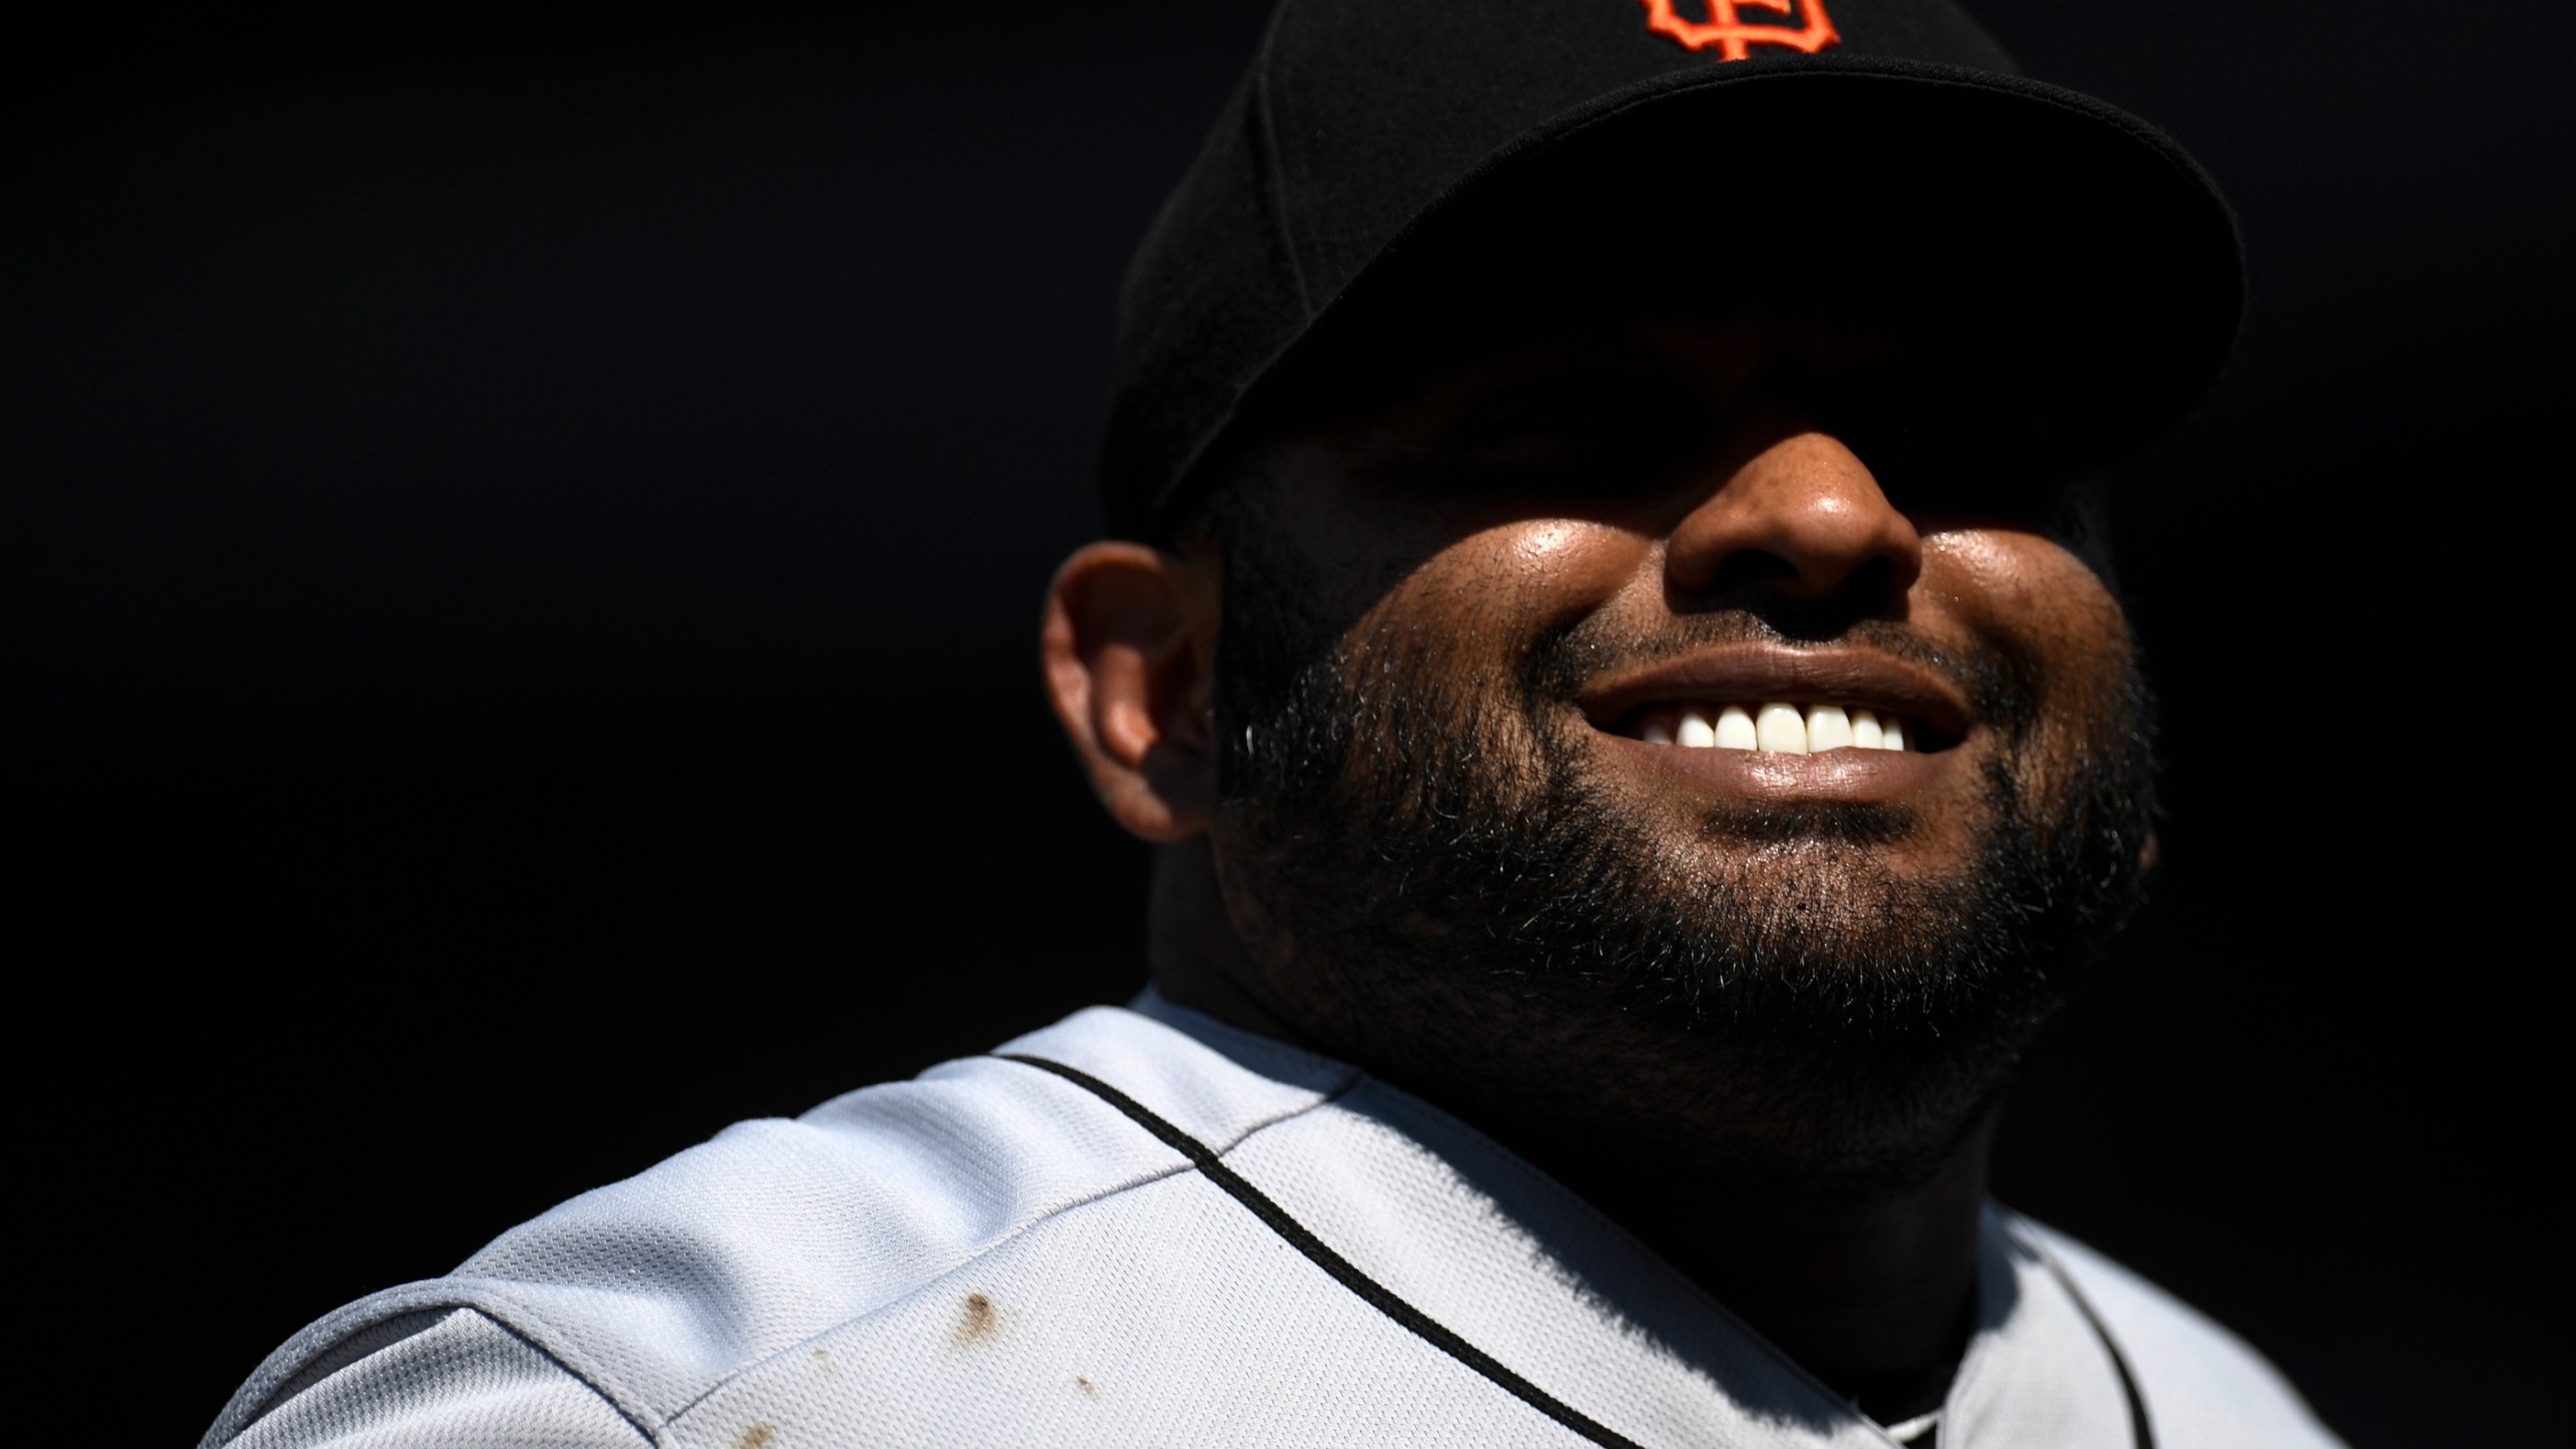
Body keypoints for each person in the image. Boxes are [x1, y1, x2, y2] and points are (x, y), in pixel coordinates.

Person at [202, 2, 2343, 1445]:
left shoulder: (2235, 1416)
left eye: (1964, 437)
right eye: (1567, 419)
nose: (1824, 514)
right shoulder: (694, 1397)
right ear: (1165, 690)